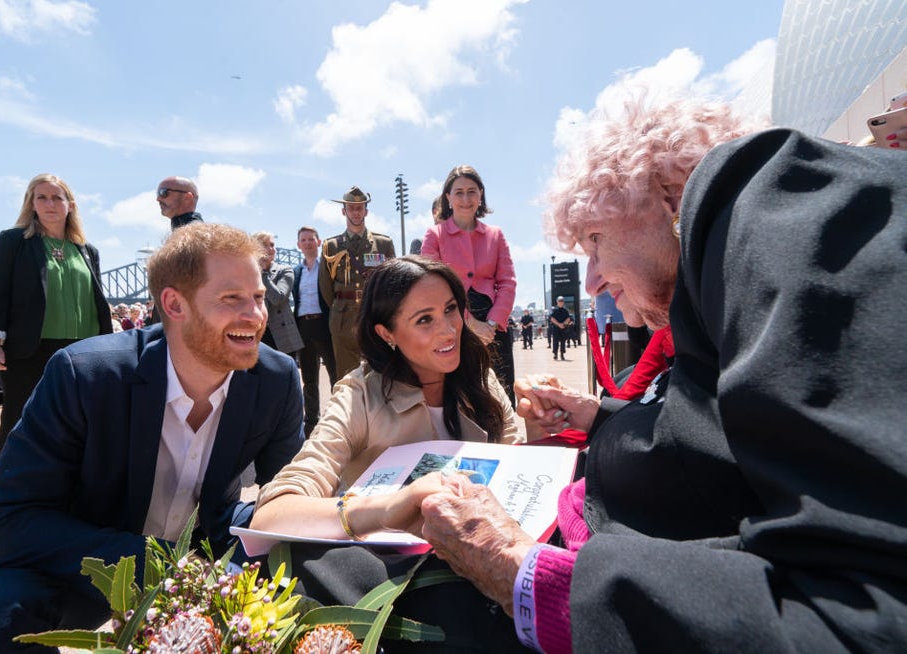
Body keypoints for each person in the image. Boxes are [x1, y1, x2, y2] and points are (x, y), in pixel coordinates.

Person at [414, 107, 907, 651]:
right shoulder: (724, 257)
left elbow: (863, 618)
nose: (594, 281)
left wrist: (522, 576)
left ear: (668, 199)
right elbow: (727, 427)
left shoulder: (780, 223)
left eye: (597, 241)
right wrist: (596, 415)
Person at [0, 222, 306, 652]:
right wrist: (161, 567)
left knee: (331, 560)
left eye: (257, 298)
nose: (256, 316)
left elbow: (288, 496)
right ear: (174, 304)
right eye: (231, 298)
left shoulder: (275, 378)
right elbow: (3, 524)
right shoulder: (85, 374)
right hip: (87, 558)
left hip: (211, 548)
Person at [250, 256, 521, 539]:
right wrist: (388, 509)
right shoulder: (359, 397)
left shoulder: (478, 375)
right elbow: (271, 514)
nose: (449, 330)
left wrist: (542, 427)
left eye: (450, 309)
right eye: (425, 319)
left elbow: (521, 467)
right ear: (386, 333)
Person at [0, 173, 113, 457]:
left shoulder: (87, 250)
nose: (50, 203)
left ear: (70, 205)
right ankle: (8, 492)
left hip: (83, 351)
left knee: (78, 423)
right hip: (31, 349)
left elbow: (97, 302)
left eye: (57, 197)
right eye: (42, 197)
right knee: (20, 421)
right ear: (32, 203)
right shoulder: (13, 241)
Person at [421, 165, 517, 402]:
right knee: (461, 394)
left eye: (472, 191)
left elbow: (508, 281)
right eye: (459, 192)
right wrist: (469, 322)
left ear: (481, 195)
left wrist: (492, 324)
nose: (466, 199)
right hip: (451, 321)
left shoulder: (496, 234)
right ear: (448, 198)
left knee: (502, 393)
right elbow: (430, 286)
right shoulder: (434, 235)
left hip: (494, 324)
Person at [319, 186, 396, 380]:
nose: (356, 212)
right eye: (351, 208)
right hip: (342, 318)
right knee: (346, 378)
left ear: (366, 211)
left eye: (359, 208)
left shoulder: (383, 244)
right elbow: (326, 287)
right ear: (344, 211)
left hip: (373, 316)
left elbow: (391, 283)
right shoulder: (331, 246)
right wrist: (339, 308)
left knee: (379, 375)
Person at [293, 226, 337, 435]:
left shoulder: (328, 267)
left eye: (312, 239)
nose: (308, 242)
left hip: (324, 324)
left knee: (334, 373)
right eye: (304, 240)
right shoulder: (295, 272)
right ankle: (311, 422)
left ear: (319, 242)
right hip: (303, 326)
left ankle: (337, 419)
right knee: (309, 378)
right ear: (298, 245)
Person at [252, 231, 303, 357]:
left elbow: (278, 298)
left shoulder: (285, 270)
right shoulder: (247, 274)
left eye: (272, 245)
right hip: (258, 332)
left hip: (283, 335)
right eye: (264, 245)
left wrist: (262, 273)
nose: (270, 249)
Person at [548, 295, 569, 360]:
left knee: (563, 342)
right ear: (557, 302)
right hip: (556, 328)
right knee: (555, 342)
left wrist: (563, 324)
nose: (561, 302)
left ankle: (562, 354)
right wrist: (558, 324)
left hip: (563, 328)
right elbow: (551, 318)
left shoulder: (565, 310)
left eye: (562, 301)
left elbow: (568, 318)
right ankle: (555, 354)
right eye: (559, 301)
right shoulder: (554, 309)